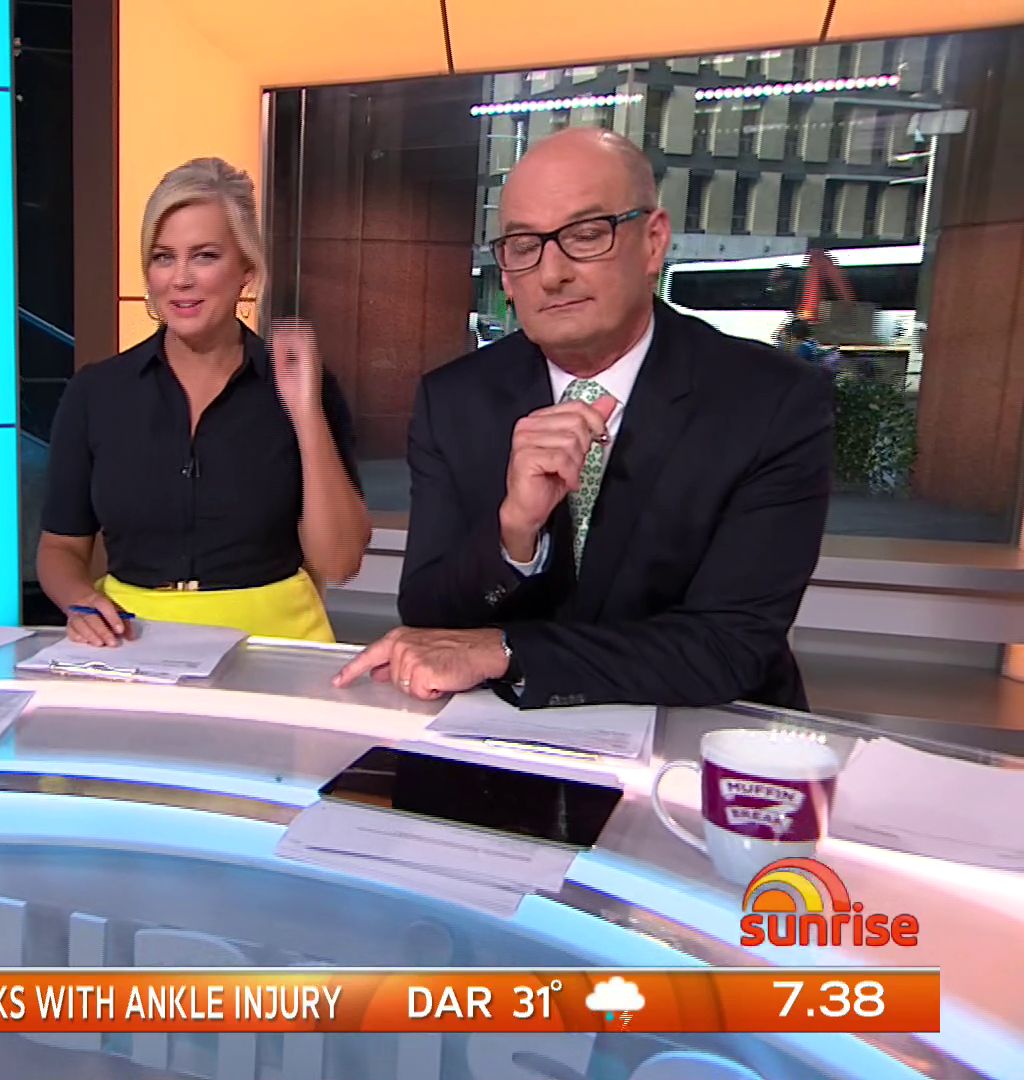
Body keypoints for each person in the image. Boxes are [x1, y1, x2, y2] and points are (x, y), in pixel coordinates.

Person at [334, 128, 832, 709]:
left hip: (703, 733)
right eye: (524, 245)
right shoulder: (454, 399)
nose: (552, 274)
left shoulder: (771, 400)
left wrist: (510, 650)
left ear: (653, 242)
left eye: (586, 235)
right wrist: (514, 533)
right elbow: (429, 615)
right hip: (503, 735)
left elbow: (730, 646)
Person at [39, 157, 371, 644]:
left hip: (274, 641)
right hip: (131, 641)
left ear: (247, 271)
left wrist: (305, 413)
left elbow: (340, 562)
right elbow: (61, 548)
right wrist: (80, 600)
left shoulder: (304, 387)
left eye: (205, 256)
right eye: (163, 257)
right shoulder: (96, 392)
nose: (180, 279)